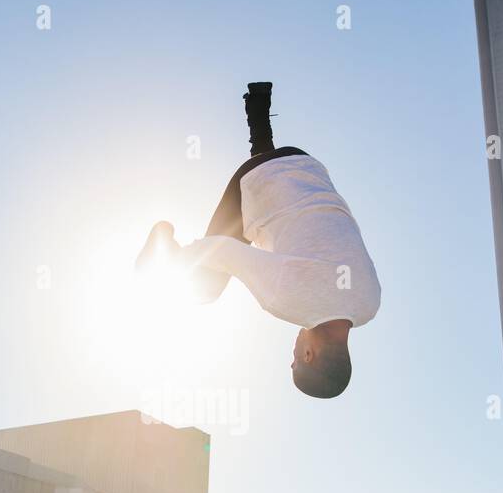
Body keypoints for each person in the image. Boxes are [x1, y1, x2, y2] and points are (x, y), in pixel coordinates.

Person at [135, 82, 381, 399]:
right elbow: (223, 250)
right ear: (309, 355)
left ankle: (258, 104)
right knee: (205, 289)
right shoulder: (289, 301)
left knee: (271, 201)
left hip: (307, 169)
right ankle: (162, 247)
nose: (292, 352)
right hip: (257, 178)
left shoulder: (371, 304)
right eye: (294, 360)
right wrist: (178, 260)